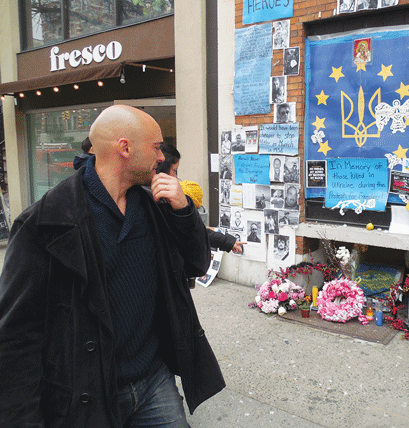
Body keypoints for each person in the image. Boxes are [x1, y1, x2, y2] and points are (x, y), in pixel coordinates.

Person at [0, 105, 225, 427]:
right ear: (125, 148)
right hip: (86, 390)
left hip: (153, 380)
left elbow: (196, 264)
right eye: (156, 147)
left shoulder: (154, 206)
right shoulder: (44, 223)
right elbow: (17, 335)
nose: (162, 157)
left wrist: (182, 211)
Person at [157, 143, 243, 254]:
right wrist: (226, 241)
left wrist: (227, 241)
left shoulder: (166, 198)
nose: (175, 177)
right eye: (174, 170)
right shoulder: (160, 201)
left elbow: (194, 228)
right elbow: (193, 230)